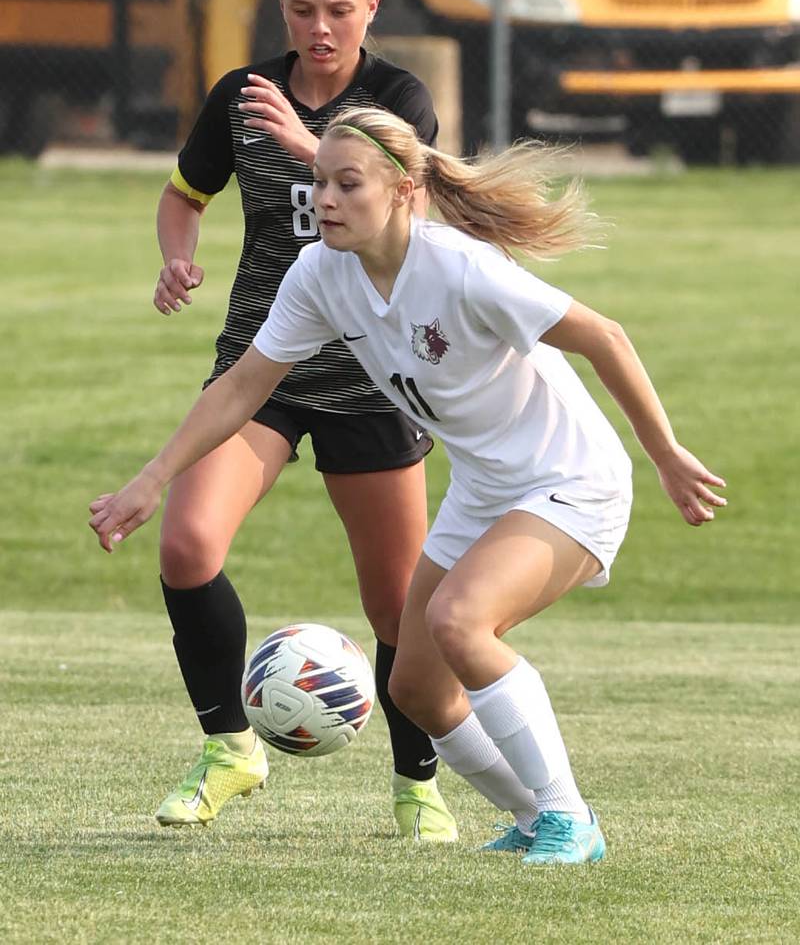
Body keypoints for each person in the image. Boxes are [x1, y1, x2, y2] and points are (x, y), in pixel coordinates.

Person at [90, 106, 726, 864]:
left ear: (402, 190)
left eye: (346, 183)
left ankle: (569, 817)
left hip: (571, 478)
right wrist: (153, 477)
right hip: (486, 490)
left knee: (461, 620)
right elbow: (244, 385)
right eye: (318, 180)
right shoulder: (322, 273)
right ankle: (533, 817)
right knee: (417, 685)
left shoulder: (460, 266)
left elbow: (604, 335)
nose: (324, 198)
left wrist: (667, 454)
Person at [145, 0, 457, 840]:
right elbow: (183, 194)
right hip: (263, 367)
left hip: (372, 375)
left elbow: (412, 212)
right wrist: (178, 254)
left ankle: (417, 784)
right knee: (187, 545)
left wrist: (308, 136)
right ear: (279, 8)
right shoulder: (239, 97)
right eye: (301, 9)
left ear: (372, 8)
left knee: (399, 605)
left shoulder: (397, 98)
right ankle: (230, 749)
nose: (320, 28)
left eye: (339, 10)